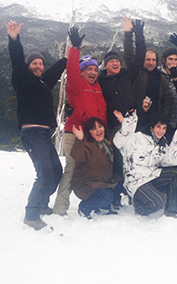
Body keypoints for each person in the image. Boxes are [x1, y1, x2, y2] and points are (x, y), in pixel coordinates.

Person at [5, 20, 67, 230]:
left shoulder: (43, 83)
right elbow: (16, 60)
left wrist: (70, 55)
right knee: (45, 171)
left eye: (40, 63)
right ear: (28, 66)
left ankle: (41, 204)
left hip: (44, 134)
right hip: (32, 133)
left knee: (56, 171)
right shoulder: (22, 79)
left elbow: (56, 70)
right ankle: (31, 214)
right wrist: (14, 39)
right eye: (34, 63)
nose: (38, 66)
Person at [53, 26, 107, 216]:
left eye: (95, 69)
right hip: (74, 134)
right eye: (88, 69)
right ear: (82, 72)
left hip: (92, 135)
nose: (93, 72)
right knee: (71, 168)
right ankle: (60, 208)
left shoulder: (98, 89)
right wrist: (75, 49)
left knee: (95, 168)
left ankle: (96, 201)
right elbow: (72, 70)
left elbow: (102, 115)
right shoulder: (77, 85)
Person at [113, 110, 177, 217]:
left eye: (164, 128)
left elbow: (171, 161)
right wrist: (129, 121)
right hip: (136, 181)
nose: (161, 131)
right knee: (159, 202)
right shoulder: (137, 138)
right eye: (158, 127)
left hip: (151, 176)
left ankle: (171, 210)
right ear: (152, 127)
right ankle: (140, 207)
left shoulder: (162, 143)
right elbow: (118, 142)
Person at [98, 17, 146, 134]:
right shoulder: (100, 81)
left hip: (133, 122)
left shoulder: (127, 74)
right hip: (114, 126)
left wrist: (137, 36)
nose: (115, 63)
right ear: (105, 66)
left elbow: (139, 57)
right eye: (111, 61)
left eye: (117, 61)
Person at [70, 117, 123, 219]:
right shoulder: (87, 145)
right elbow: (77, 156)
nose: (98, 130)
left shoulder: (108, 142)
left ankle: (103, 208)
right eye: (94, 128)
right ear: (89, 132)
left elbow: (123, 139)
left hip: (103, 182)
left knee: (121, 184)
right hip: (87, 185)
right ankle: (84, 207)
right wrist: (79, 140)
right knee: (106, 196)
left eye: (100, 126)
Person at [124, 43, 173, 132]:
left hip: (156, 122)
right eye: (148, 59)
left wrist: (164, 117)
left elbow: (168, 97)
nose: (151, 62)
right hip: (138, 120)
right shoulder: (136, 74)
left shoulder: (160, 77)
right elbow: (128, 56)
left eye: (153, 60)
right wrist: (128, 34)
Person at [159, 48, 177, 135]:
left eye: (175, 59)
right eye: (170, 59)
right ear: (164, 60)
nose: (173, 62)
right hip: (164, 119)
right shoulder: (158, 74)